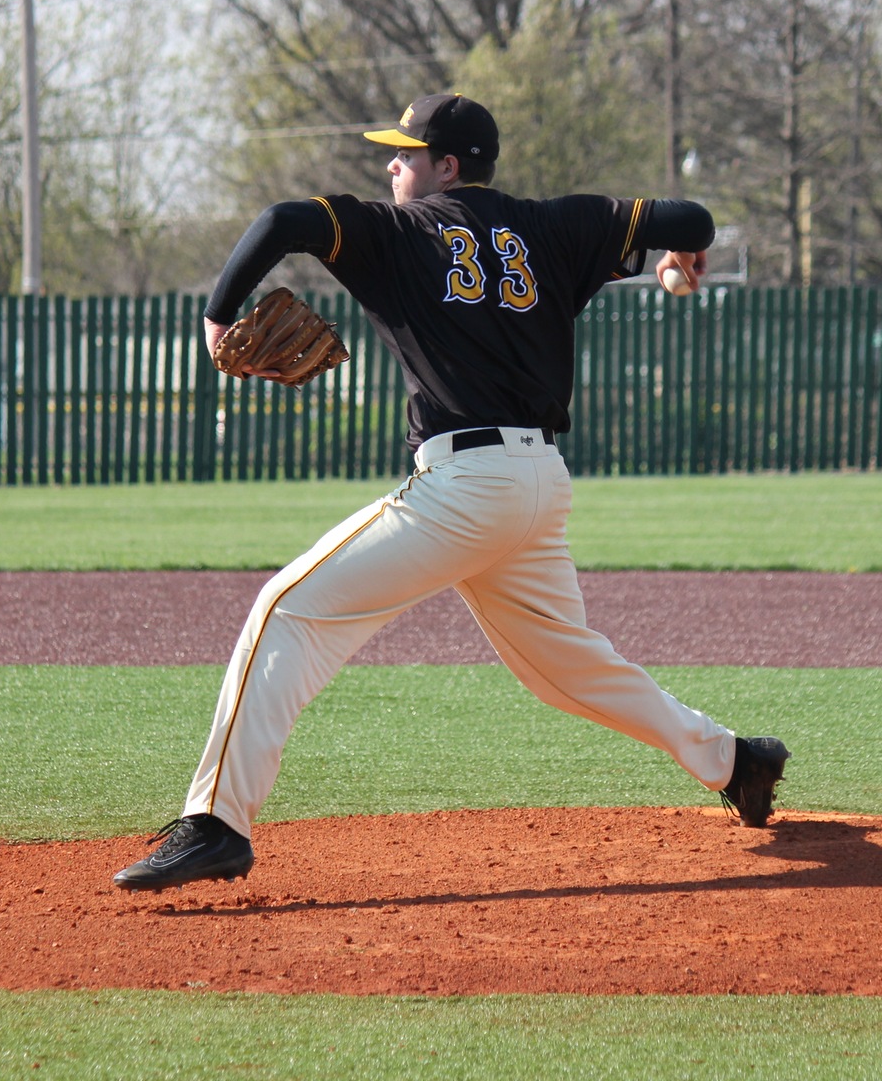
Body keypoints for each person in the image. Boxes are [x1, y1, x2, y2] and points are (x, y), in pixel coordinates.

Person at [113, 93, 789, 891]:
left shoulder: (397, 230)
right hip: (539, 482)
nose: (393, 164)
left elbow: (283, 220)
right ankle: (737, 762)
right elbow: (692, 217)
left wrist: (218, 317)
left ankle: (216, 822)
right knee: (565, 668)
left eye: (407, 152)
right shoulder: (554, 226)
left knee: (286, 610)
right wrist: (684, 249)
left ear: (448, 166)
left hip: (467, 485)